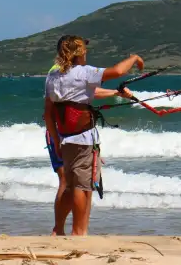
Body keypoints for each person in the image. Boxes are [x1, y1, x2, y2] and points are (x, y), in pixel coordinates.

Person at [44, 35, 143, 236]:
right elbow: (117, 71)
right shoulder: (84, 72)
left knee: (70, 185)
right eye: (84, 50)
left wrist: (56, 141)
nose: (87, 53)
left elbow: (48, 113)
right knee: (83, 186)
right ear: (78, 53)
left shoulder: (53, 77)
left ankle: (59, 230)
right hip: (83, 139)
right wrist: (135, 58)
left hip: (64, 139)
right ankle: (79, 232)